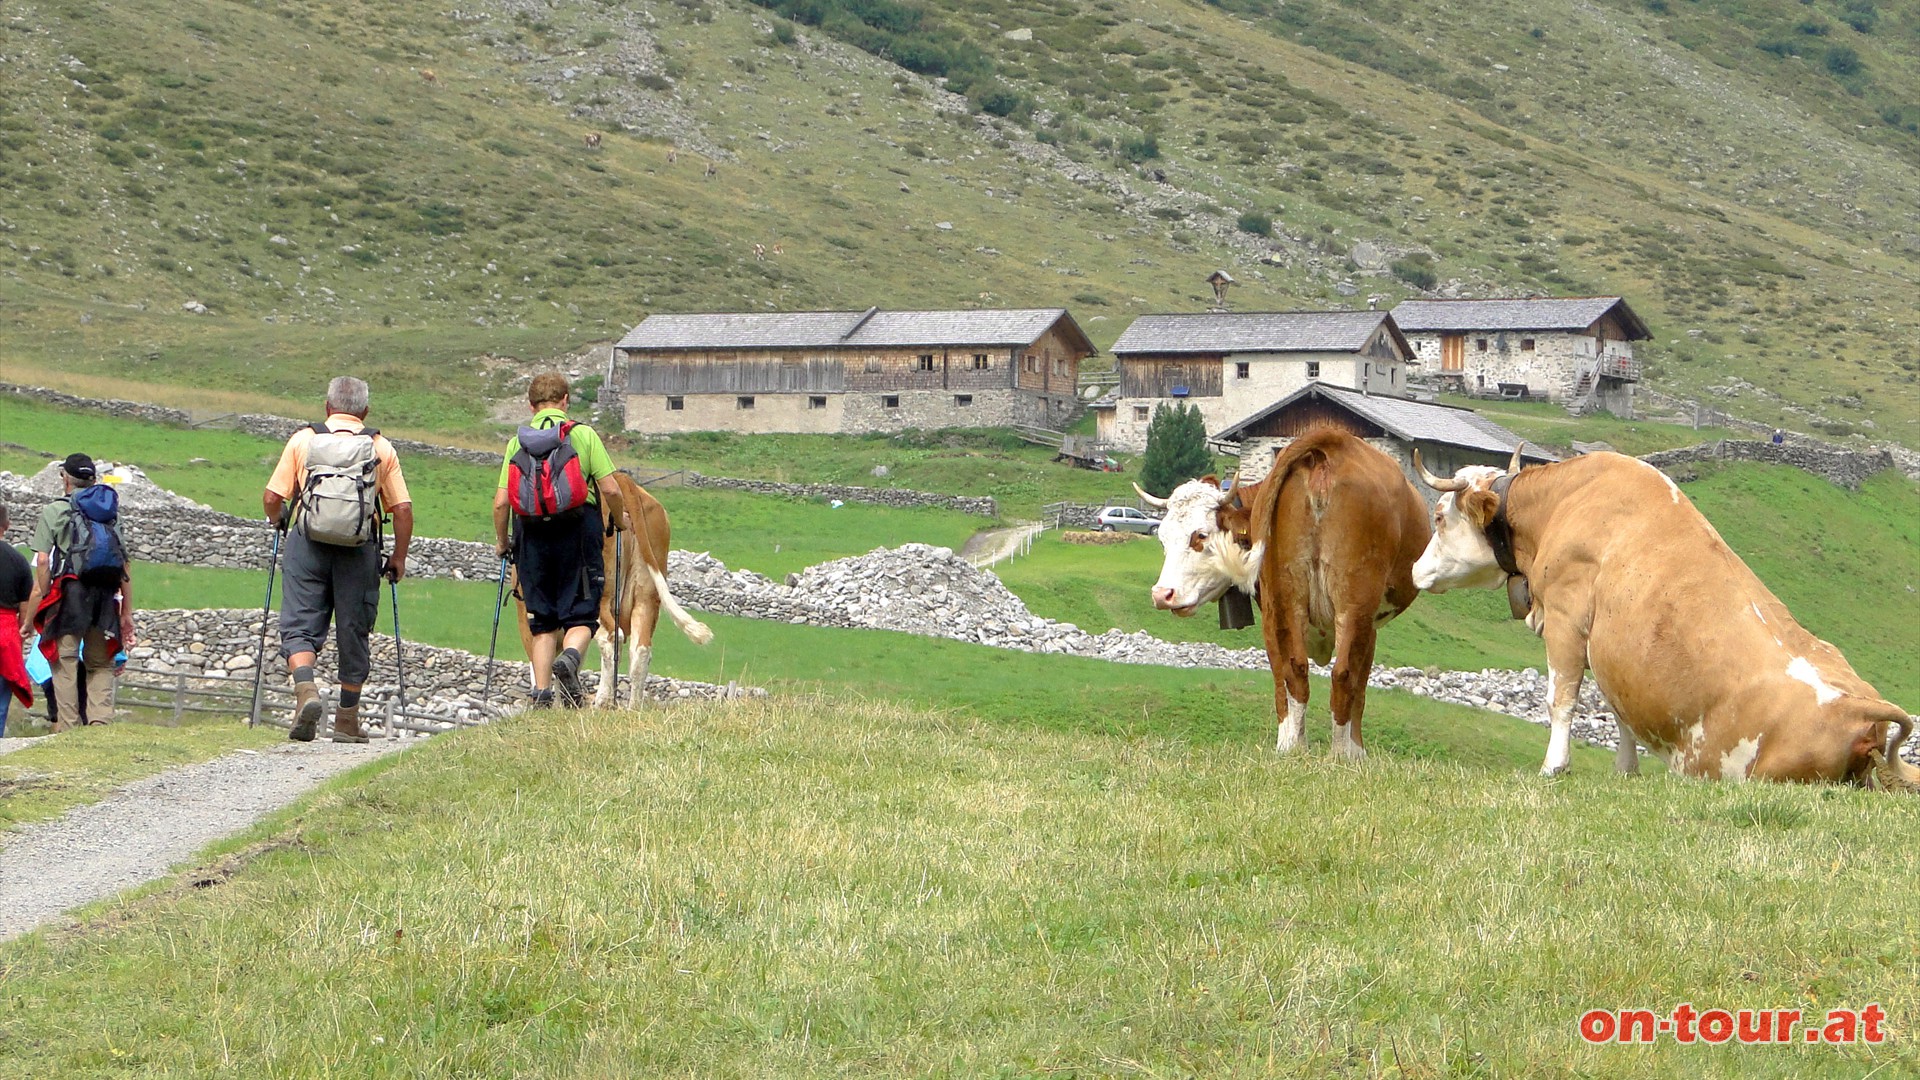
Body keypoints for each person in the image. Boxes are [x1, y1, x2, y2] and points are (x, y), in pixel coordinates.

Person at [263, 377, 413, 742]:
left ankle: (306, 692)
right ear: (365, 411)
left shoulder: (304, 440)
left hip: (307, 542)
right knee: (353, 628)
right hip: (359, 548)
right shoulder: (380, 447)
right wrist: (398, 557)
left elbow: (271, 496)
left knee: (299, 623)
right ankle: (346, 720)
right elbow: (403, 508)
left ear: (328, 407)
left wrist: (282, 520)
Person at [494, 372, 626, 708]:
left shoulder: (516, 443)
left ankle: (541, 694)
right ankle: (569, 658)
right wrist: (620, 520)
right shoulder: (582, 435)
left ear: (530, 405)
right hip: (577, 533)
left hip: (531, 536)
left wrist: (502, 542)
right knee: (581, 616)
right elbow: (610, 488)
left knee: (542, 622)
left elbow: (501, 502)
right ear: (566, 400)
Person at [25, 454, 133, 732]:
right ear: (93, 479)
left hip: (70, 595)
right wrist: (127, 612)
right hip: (105, 596)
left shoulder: (55, 511)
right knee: (101, 664)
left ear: (65, 478)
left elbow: (44, 561)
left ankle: (69, 726)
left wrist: (46, 597)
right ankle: (100, 724)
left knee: (65, 661)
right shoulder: (110, 513)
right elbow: (124, 564)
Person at [1, 503, 35, 738]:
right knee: (1, 700)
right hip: (5, 631)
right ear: (6, 526)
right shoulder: (18, 561)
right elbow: (25, 613)